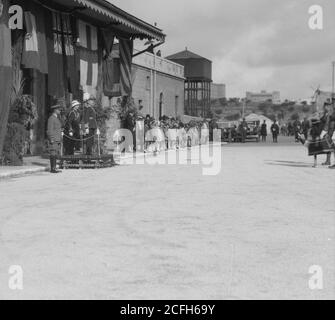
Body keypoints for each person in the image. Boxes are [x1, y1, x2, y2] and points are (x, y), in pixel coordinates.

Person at [47, 104, 63, 173]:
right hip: (54, 139)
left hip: (57, 139)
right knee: (53, 153)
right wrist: (51, 138)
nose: (60, 110)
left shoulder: (56, 118)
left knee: (55, 153)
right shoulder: (51, 118)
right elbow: (49, 130)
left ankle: (54, 167)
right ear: (55, 110)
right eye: (58, 109)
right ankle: (52, 168)